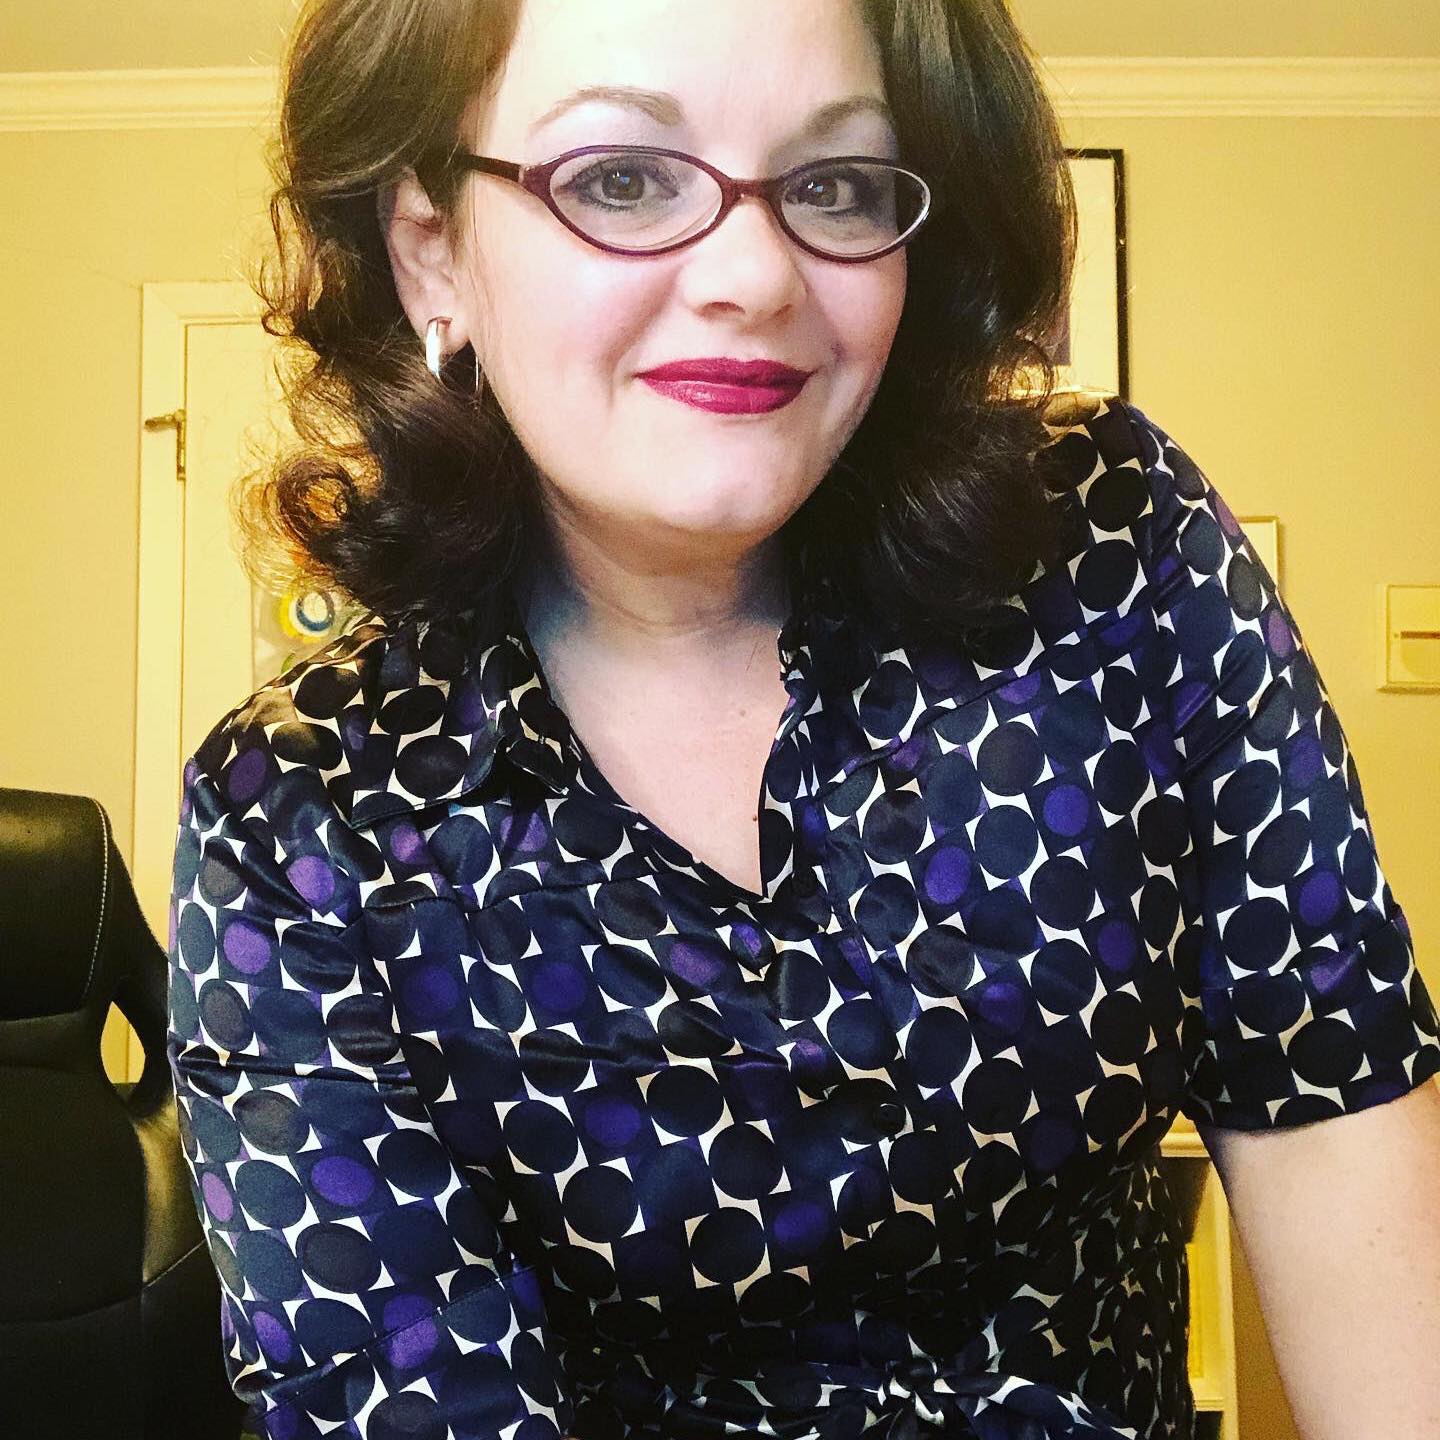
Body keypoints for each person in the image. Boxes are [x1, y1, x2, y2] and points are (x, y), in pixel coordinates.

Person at [165, 0, 1440, 1437]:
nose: (756, 275)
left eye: (832, 184)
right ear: (432, 250)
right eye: (624, 179)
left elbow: (1329, 1097)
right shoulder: (303, 810)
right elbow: (406, 1393)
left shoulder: (1108, 547)